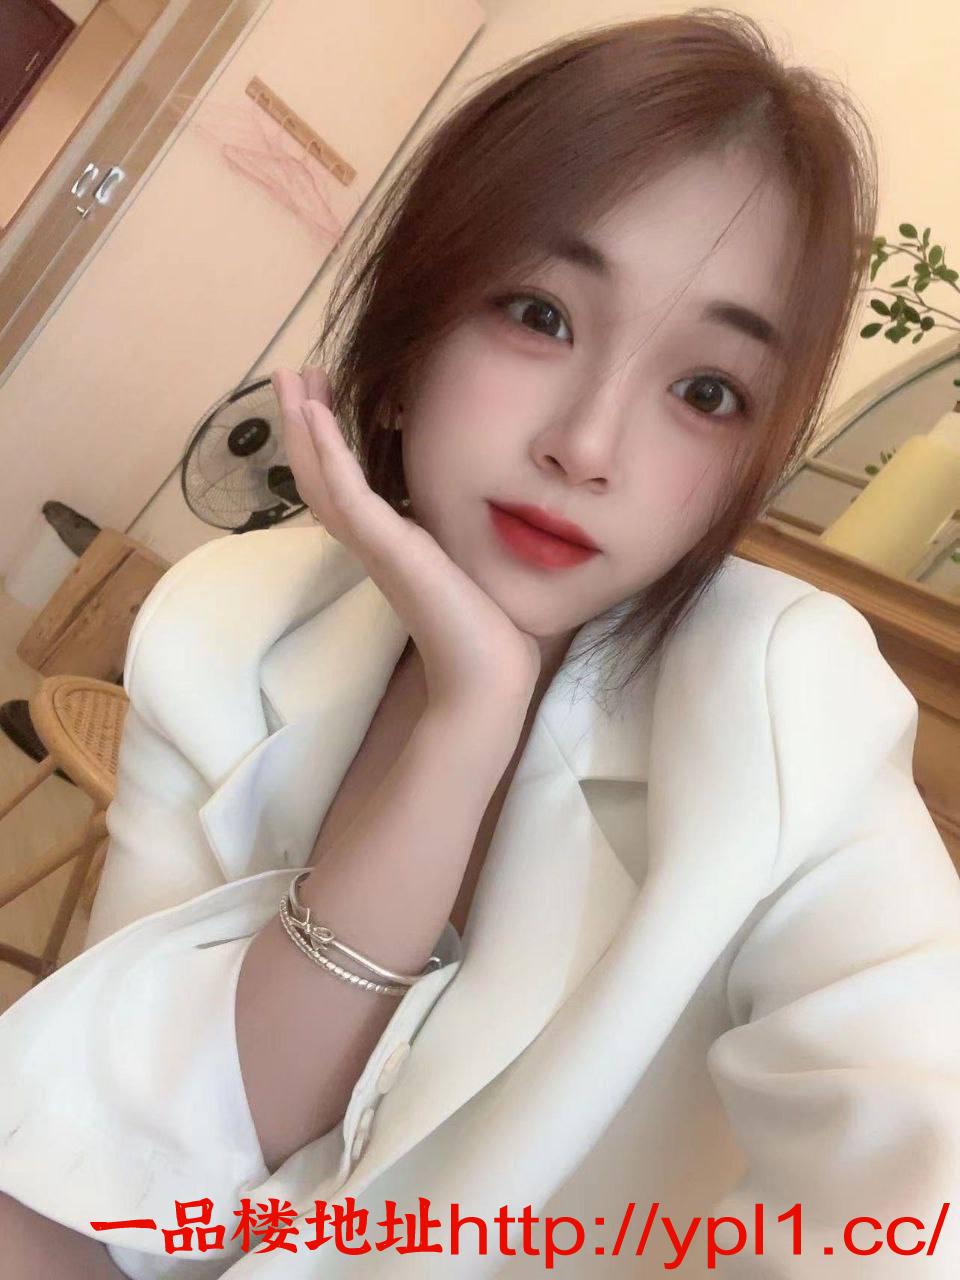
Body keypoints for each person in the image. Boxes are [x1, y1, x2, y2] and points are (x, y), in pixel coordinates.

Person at [1, 9, 959, 1278]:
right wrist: (464, 726)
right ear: (409, 338)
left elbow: (922, 1187)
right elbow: (116, 1184)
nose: (589, 444)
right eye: (538, 313)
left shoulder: (788, 699)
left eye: (706, 390)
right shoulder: (230, 627)